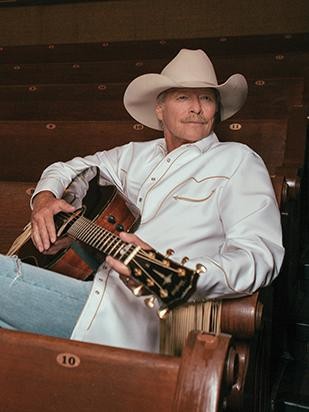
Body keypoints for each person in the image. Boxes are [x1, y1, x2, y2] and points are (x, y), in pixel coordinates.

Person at [0, 49, 284, 353]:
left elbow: (260, 256)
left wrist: (177, 275)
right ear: (160, 109)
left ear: (216, 108)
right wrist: (44, 199)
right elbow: (70, 170)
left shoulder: (238, 160)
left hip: (139, 319)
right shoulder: (135, 154)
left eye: (206, 98)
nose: (197, 109)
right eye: (183, 98)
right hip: (84, 288)